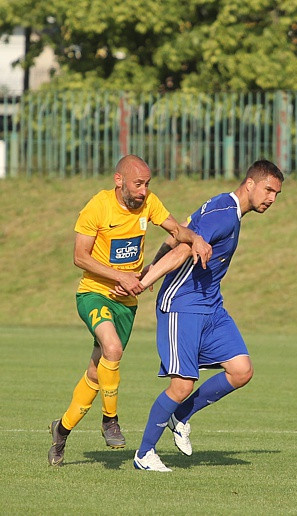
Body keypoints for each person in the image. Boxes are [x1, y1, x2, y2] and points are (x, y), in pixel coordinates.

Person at [48, 155, 212, 467]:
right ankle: (110, 420)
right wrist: (120, 275)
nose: (144, 190)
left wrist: (197, 239)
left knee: (98, 372)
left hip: (126, 302)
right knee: (113, 348)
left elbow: (176, 229)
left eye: (148, 184)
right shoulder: (97, 207)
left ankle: (62, 430)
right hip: (96, 293)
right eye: (138, 184)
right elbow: (80, 257)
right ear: (119, 180)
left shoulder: (148, 203)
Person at [131, 159, 284, 472]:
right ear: (250, 183)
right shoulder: (225, 215)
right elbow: (184, 248)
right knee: (182, 385)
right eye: (268, 190)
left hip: (211, 305)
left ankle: (181, 415)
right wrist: (146, 280)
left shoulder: (223, 209)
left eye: (277, 194)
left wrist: (151, 265)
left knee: (241, 370)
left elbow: (179, 234)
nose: (271, 198)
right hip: (183, 304)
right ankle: (144, 453)